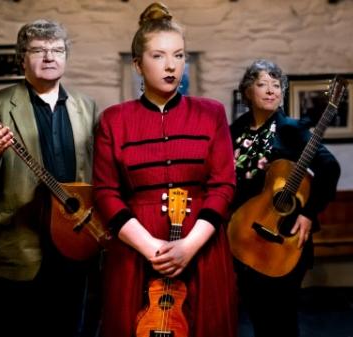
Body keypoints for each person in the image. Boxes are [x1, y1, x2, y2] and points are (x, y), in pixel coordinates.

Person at [92, 3, 238, 337]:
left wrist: (189, 246)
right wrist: (150, 248)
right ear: (137, 65)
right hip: (136, 252)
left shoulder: (210, 113)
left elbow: (223, 186)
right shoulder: (115, 119)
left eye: (179, 55)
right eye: (158, 56)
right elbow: (105, 192)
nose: (171, 65)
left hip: (201, 248)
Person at [0, 19, 100, 336]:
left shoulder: (86, 106)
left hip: (74, 240)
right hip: (20, 243)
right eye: (39, 50)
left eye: (57, 50)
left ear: (66, 57)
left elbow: (97, 171)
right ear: (21, 58)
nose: (49, 57)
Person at [229, 59, 341, 337]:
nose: (270, 91)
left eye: (276, 85)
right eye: (262, 84)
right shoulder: (233, 131)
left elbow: (329, 168)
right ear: (247, 92)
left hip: (284, 238)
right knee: (258, 316)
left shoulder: (292, 130)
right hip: (244, 235)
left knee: (282, 319)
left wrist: (309, 213)